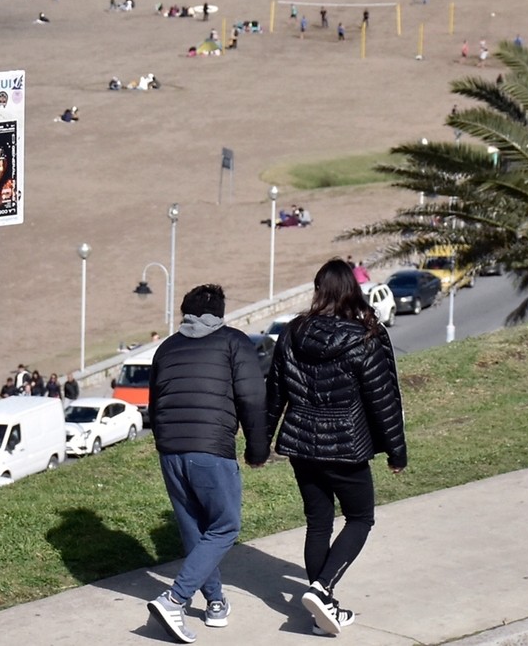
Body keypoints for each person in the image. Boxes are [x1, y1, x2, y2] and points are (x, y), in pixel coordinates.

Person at [267, 259, 407, 636]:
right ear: (353, 290)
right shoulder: (365, 335)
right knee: (360, 518)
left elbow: (275, 391)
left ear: (318, 290)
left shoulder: (293, 332)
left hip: (300, 442)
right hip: (347, 445)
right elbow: (383, 400)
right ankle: (322, 590)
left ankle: (319, 614)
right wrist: (397, 452)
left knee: (318, 522)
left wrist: (261, 443)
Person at [146, 284, 269, 643]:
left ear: (185, 311)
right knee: (225, 526)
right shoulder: (234, 342)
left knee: (194, 530)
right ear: (220, 312)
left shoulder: (166, 348)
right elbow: (252, 397)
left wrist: (164, 444)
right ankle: (174, 599)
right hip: (211, 450)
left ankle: (215, 602)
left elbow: (154, 405)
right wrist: (258, 451)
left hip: (171, 452)